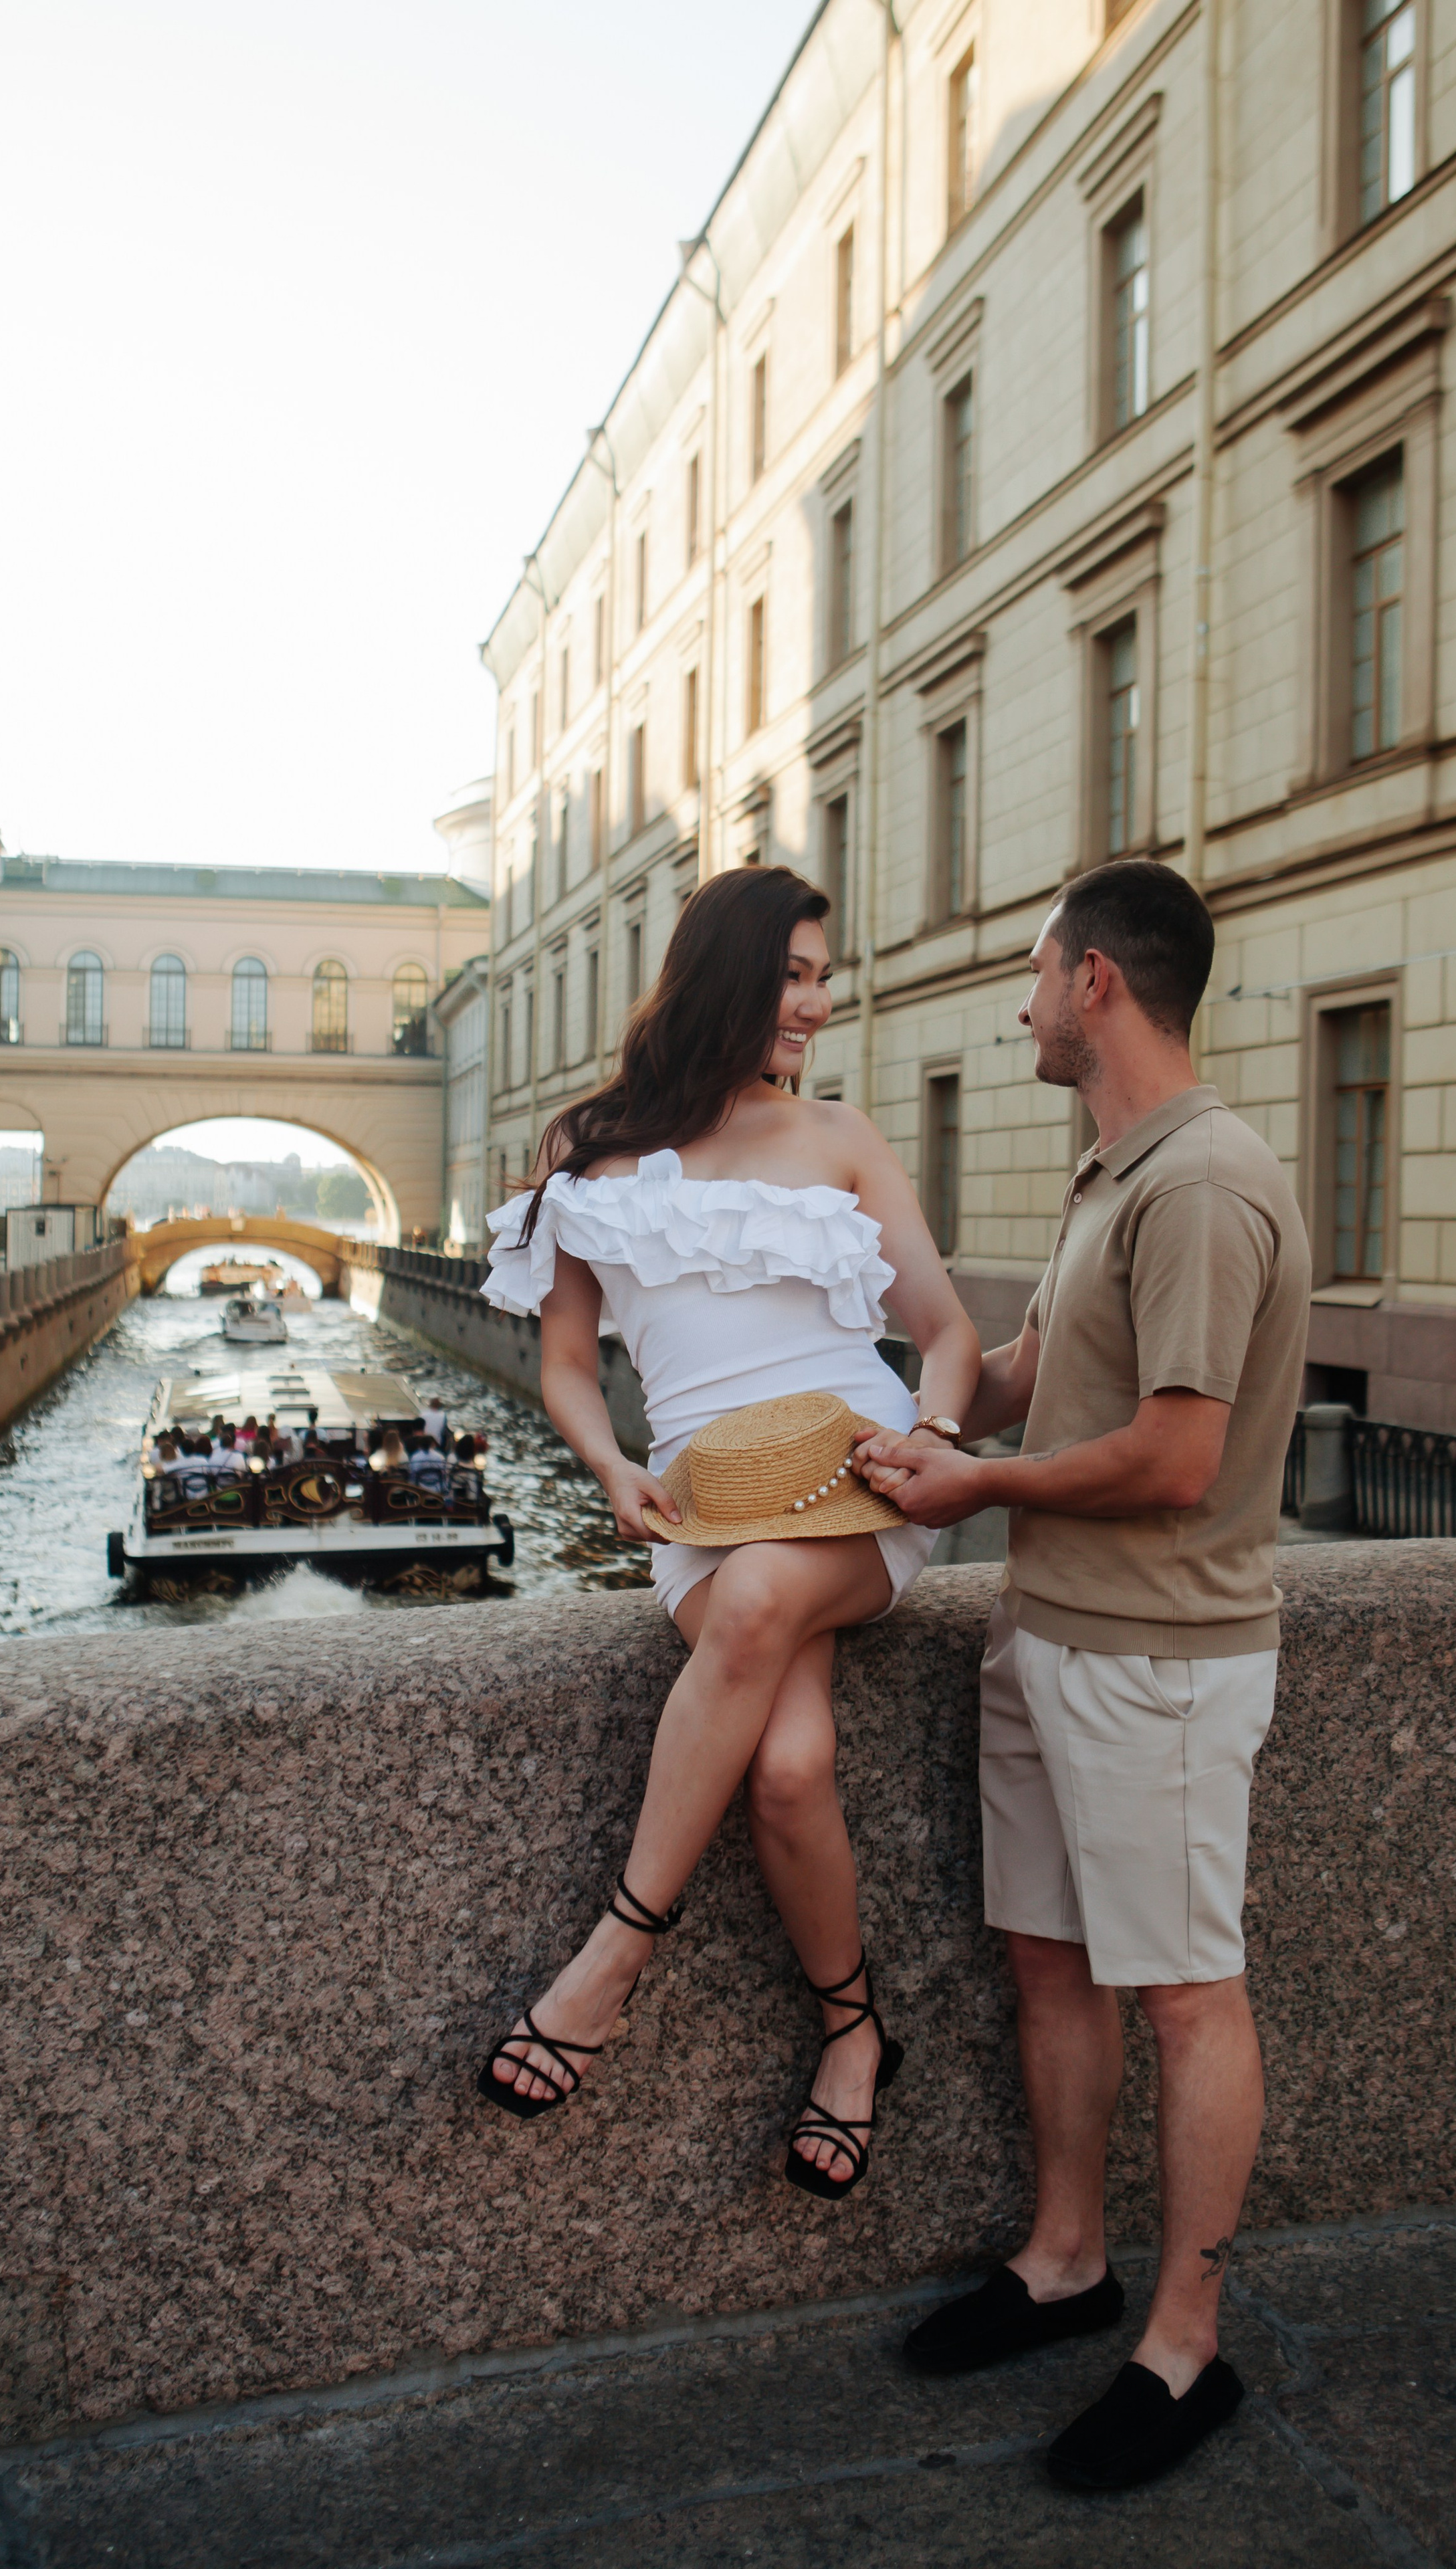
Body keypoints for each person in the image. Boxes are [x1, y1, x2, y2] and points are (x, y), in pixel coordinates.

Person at [855, 858, 1309, 2489]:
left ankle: (1182, 2353)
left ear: (1096, 982)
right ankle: (1065, 2263)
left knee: (1186, 1995)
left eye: (1037, 970)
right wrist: (903, 1402)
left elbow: (1173, 1457)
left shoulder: (1200, 1183)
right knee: (1047, 1964)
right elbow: (1032, 1376)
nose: (1022, 1000)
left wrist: (972, 1489)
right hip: (1046, 1637)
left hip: (1158, 1659)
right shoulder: (1111, 1168)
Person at [476, 864, 979, 2194]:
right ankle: (854, 2031)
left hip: (858, 1477)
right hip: (707, 1502)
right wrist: (605, 1465)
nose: (818, 1001)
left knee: (761, 1607)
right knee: (789, 1766)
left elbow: (944, 1333)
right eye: (797, 974)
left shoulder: (841, 1134)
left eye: (823, 976)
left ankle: (614, 1956)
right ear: (727, 973)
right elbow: (571, 1362)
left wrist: (925, 1434)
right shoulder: (586, 1145)